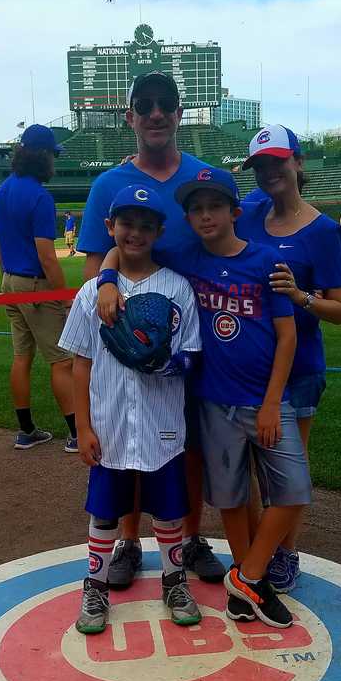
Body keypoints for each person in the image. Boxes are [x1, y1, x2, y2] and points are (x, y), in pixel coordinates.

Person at [98, 168, 311, 627]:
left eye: (214, 206)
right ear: (187, 217)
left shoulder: (266, 261)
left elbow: (287, 337)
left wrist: (274, 401)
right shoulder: (185, 256)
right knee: (231, 499)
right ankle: (248, 586)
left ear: (235, 212)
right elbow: (123, 244)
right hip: (214, 401)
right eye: (196, 208)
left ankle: (248, 574)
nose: (205, 214)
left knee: (293, 492)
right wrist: (107, 281)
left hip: (266, 400)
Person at [75, 70, 223, 585]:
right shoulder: (108, 184)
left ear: (179, 113)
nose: (156, 113)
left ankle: (190, 533)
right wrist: (111, 281)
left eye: (166, 104)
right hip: (131, 335)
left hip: (194, 331)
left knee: (186, 442)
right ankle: (129, 541)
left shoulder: (204, 178)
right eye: (146, 105)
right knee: (126, 437)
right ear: (131, 116)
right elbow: (95, 265)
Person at [59, 185, 204, 634]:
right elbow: (79, 365)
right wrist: (82, 427)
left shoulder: (177, 288)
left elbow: (191, 354)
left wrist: (163, 362)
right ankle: (96, 589)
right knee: (105, 511)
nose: (135, 233)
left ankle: (174, 581)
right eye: (126, 224)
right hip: (109, 422)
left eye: (145, 225)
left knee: (168, 511)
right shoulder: (91, 293)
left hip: (161, 421)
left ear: (159, 231)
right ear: (110, 228)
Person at [236, 125, 341, 593]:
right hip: (246, 367)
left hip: (299, 368)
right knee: (251, 470)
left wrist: (301, 297)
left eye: (277, 162)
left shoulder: (322, 230)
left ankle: (284, 553)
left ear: (298, 163)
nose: (268, 173)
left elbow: (339, 310)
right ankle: (263, 550)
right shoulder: (249, 213)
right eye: (260, 166)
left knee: (287, 471)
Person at [0, 124, 78, 451]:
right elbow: (48, 258)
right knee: (61, 361)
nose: (55, 162)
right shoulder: (40, 196)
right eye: (53, 155)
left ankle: (26, 430)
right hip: (36, 286)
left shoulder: (3, 189)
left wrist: (10, 280)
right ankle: (74, 434)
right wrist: (64, 298)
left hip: (9, 282)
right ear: (42, 155)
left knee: (21, 357)